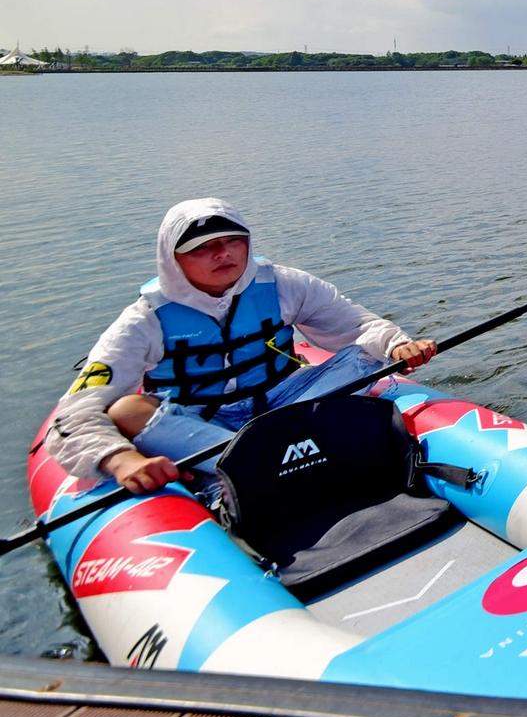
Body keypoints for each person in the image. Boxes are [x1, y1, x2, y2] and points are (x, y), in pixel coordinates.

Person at [49, 198, 437, 495]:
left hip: (287, 401)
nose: (224, 253)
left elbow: (358, 326)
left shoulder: (284, 284)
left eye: (234, 240)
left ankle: (263, 460)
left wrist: (398, 346)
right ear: (173, 259)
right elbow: (73, 417)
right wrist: (120, 458)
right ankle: (254, 462)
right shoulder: (142, 322)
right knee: (127, 409)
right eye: (203, 247)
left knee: (369, 351)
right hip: (204, 424)